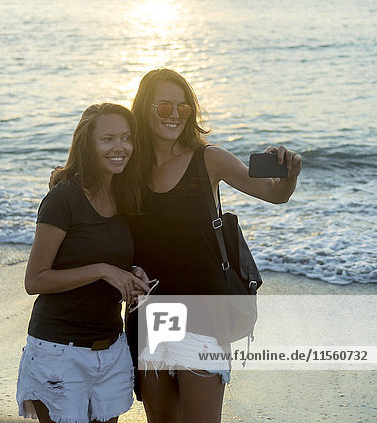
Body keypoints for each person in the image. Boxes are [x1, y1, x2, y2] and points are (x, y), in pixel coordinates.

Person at [127, 68, 302, 423]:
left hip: (204, 314)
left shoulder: (208, 159)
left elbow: (273, 194)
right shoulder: (129, 167)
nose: (175, 115)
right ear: (144, 109)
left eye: (184, 108)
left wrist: (289, 175)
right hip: (151, 314)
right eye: (164, 107)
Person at [17, 103, 150, 423]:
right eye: (107, 139)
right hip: (59, 351)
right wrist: (103, 270)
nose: (120, 147)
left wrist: (131, 274)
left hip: (110, 347)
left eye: (126, 138)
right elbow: (35, 280)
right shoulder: (64, 198)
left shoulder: (124, 196)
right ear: (87, 143)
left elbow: (110, 257)